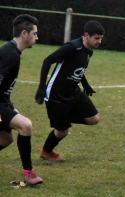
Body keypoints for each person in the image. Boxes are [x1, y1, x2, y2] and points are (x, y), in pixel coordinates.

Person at [34, 20, 105, 161]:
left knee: (94, 118)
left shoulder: (89, 50)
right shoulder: (72, 47)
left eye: (101, 39)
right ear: (86, 35)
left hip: (74, 91)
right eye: (96, 38)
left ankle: (65, 117)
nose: (99, 42)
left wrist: (85, 84)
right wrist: (42, 87)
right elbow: (47, 61)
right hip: (57, 94)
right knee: (62, 132)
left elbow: (78, 66)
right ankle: (46, 152)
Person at [0, 14, 43, 185]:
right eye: (35, 34)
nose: (37, 38)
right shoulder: (10, 54)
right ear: (24, 33)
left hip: (3, 102)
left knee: (6, 139)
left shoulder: (13, 52)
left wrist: (9, 106)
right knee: (25, 125)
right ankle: (29, 173)